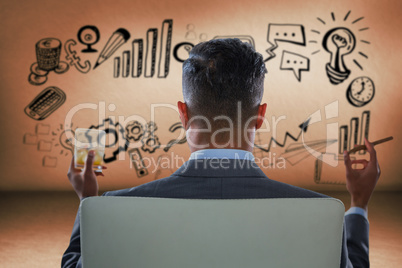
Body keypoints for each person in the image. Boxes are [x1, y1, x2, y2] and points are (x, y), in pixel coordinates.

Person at [62, 38, 380, 268]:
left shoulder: (114, 209)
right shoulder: (322, 213)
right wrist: (358, 206)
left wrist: (88, 203)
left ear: (183, 114)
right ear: (261, 115)